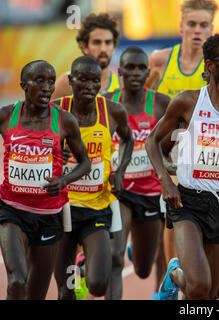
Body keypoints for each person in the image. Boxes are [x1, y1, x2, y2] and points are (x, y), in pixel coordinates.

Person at [146, 33, 219, 300]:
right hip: (188, 204)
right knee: (200, 287)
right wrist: (166, 181)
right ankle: (180, 274)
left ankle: (177, 276)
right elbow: (152, 141)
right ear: (211, 65)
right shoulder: (188, 101)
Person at [0, 60, 91, 299]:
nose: (47, 87)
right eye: (39, 81)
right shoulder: (6, 116)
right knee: (17, 281)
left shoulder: (64, 120)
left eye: (51, 82)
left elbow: (85, 163)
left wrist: (63, 181)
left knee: (35, 294)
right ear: (23, 85)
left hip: (49, 216)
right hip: (12, 211)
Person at [145, 0, 219, 288]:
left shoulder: (215, 67)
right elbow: (146, 96)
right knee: (167, 219)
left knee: (179, 219)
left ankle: (177, 281)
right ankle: (163, 286)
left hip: (199, 156)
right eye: (192, 24)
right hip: (162, 152)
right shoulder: (160, 61)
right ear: (181, 27)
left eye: (204, 26)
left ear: (212, 30)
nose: (197, 31)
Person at [53, 56, 134, 300]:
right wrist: (55, 150)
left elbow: (128, 138)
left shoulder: (113, 111)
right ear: (71, 81)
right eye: (83, 80)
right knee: (66, 291)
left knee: (98, 284)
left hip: (96, 208)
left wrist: (120, 171)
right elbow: (36, 137)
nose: (89, 86)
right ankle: (74, 272)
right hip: (60, 209)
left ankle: (84, 264)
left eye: (95, 81)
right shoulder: (55, 110)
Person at [102, 47, 171, 300]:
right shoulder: (107, 102)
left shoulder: (161, 103)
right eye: (128, 67)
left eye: (139, 68)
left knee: (142, 268)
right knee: (114, 255)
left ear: (147, 72)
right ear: (119, 72)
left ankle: (138, 250)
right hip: (119, 191)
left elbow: (179, 140)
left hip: (151, 193)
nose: (134, 72)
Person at [52, 13, 121, 99]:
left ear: (114, 46)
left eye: (108, 42)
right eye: (97, 42)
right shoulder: (66, 83)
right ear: (84, 47)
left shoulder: (122, 85)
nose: (103, 49)